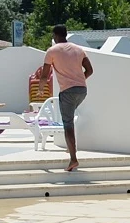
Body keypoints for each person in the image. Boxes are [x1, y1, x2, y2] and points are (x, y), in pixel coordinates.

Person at [39, 24, 93, 172]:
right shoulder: (78, 49)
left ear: (55, 36)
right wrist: (79, 81)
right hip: (82, 90)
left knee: (67, 124)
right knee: (69, 118)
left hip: (67, 91)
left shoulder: (52, 51)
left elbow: (44, 76)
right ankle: (71, 149)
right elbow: (90, 70)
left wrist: (41, 88)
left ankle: (73, 159)